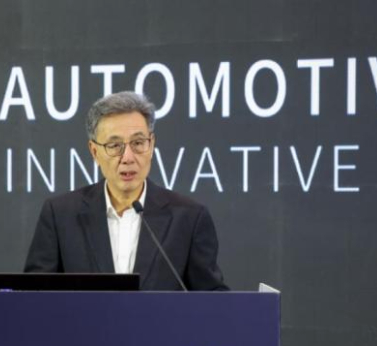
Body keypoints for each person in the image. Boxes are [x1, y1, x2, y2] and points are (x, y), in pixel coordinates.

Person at [24, 91, 228, 291]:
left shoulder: (189, 218)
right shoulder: (60, 215)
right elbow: (33, 296)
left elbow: (213, 301)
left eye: (138, 143)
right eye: (115, 145)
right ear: (94, 152)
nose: (128, 157)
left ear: (151, 145)